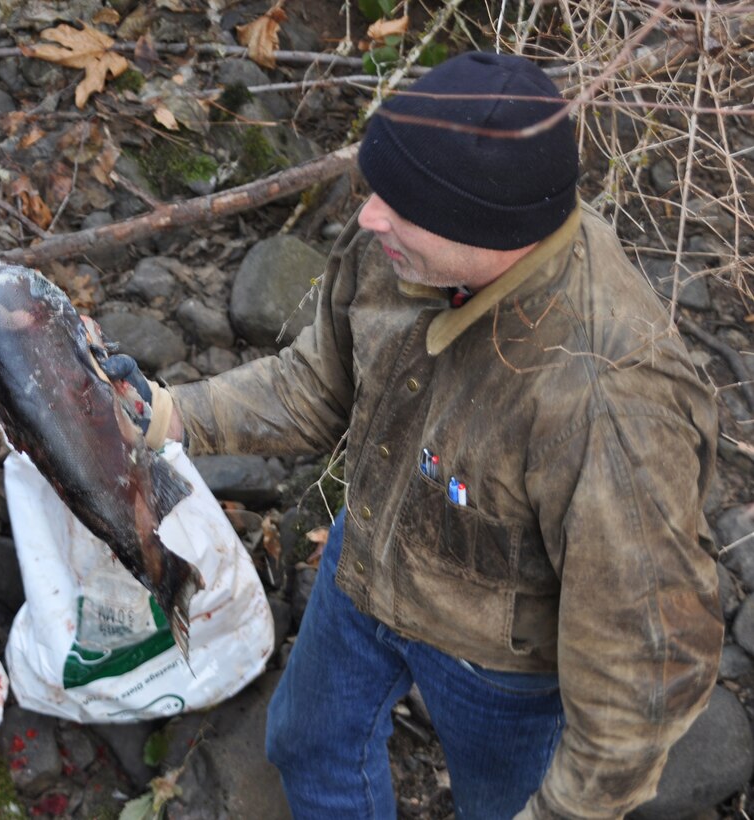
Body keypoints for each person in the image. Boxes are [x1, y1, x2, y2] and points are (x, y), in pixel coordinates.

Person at [143, 50, 723, 819]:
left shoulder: (607, 401)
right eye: (378, 187)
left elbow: (642, 664)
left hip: (499, 664)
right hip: (369, 555)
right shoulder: (403, 245)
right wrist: (164, 415)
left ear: (491, 228)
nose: (366, 215)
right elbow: (317, 384)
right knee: (306, 743)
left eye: (401, 203)